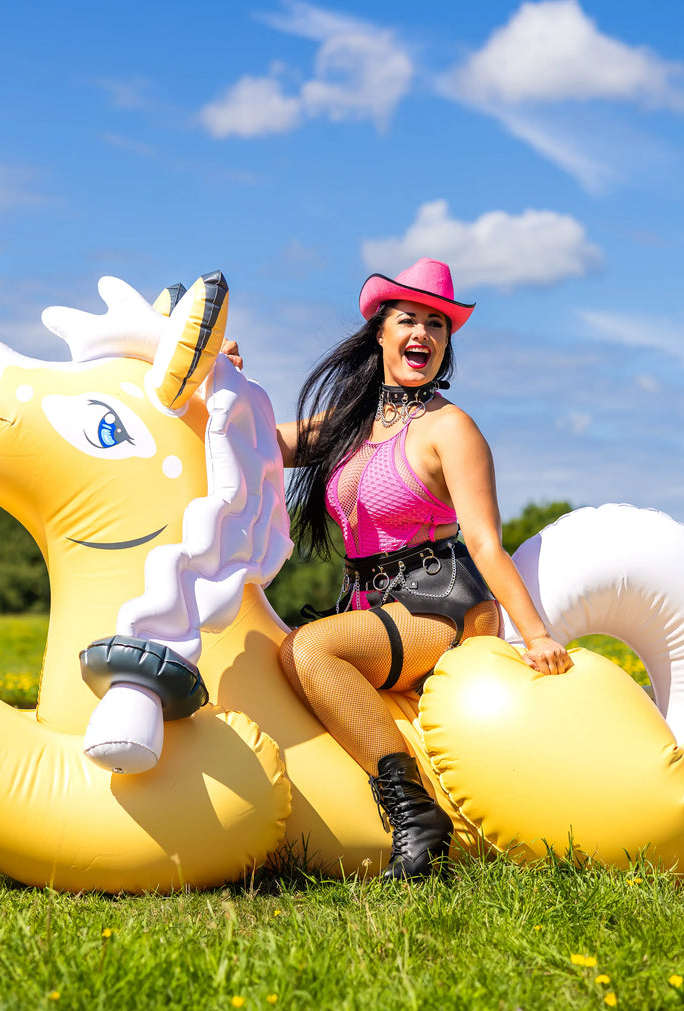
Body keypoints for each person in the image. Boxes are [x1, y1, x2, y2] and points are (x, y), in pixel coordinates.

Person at [225, 258, 572, 880]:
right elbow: (261, 444)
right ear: (380, 334)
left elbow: (485, 541)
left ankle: (416, 816)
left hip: (443, 602)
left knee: (308, 650)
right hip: (373, 604)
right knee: (290, 654)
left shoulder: (450, 428)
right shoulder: (350, 425)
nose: (423, 334)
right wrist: (226, 380)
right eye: (409, 319)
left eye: (437, 325)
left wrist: (537, 634)